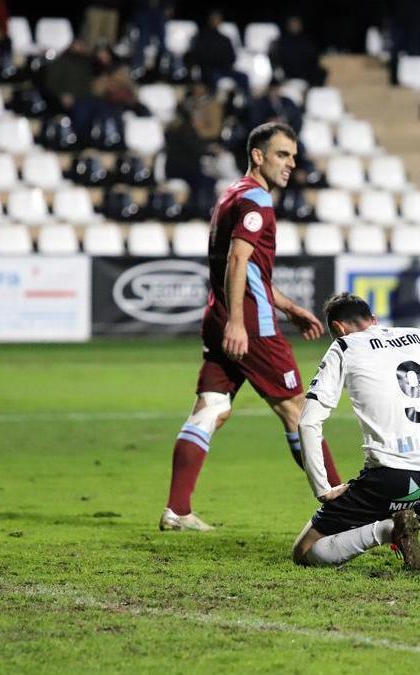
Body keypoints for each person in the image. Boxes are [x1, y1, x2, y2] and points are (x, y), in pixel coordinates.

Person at [160, 122, 342, 532]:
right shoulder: (257, 201)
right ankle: (341, 507)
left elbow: (252, 269)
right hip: (251, 326)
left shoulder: (232, 193)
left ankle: (178, 510)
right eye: (282, 155)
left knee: (212, 407)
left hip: (219, 317)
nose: (290, 164)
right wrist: (240, 324)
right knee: (298, 411)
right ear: (257, 155)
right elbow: (237, 262)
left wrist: (291, 307)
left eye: (294, 157)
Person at [291, 294, 420, 569]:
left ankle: (387, 530)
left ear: (338, 328)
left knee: (304, 550)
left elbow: (308, 421)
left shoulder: (345, 346)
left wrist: (322, 488)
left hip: (389, 480)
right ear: (373, 320)